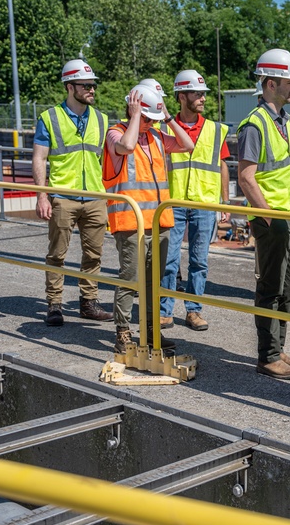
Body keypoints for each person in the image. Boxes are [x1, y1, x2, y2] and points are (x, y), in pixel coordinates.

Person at [102, 82, 195, 354]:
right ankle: (123, 333)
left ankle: (152, 332)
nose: (148, 124)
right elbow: (127, 147)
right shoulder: (115, 133)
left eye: (151, 120)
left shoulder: (155, 135)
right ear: (133, 111)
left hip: (159, 222)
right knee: (130, 280)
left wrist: (166, 117)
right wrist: (134, 118)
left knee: (155, 283)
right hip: (131, 225)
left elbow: (187, 144)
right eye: (146, 118)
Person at [236, 49, 290, 380]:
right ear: (270, 84)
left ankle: (278, 348)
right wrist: (267, 216)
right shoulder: (255, 125)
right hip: (274, 221)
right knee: (271, 287)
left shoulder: (288, 122)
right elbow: (245, 177)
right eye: (289, 82)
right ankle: (267, 356)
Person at [32, 59, 113, 327]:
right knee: (57, 254)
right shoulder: (50, 118)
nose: (92, 89)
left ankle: (88, 303)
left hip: (94, 197)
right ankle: (54, 304)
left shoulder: (101, 119)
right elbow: (39, 158)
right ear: (70, 87)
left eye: (93, 85)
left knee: (94, 255)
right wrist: (42, 195)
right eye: (86, 85)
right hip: (62, 197)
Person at [159, 69, 230, 332]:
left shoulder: (215, 129)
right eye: (197, 93)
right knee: (169, 260)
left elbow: (222, 165)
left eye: (203, 94)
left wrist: (225, 203)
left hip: (205, 204)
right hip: (172, 202)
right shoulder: (163, 127)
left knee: (199, 261)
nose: (202, 98)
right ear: (181, 96)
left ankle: (194, 310)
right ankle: (165, 311)